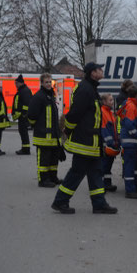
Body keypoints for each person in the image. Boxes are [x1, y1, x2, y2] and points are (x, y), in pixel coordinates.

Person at [51, 62, 117, 214]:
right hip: (84, 142)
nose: (102, 71)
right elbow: (74, 114)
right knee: (77, 172)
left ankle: (99, 204)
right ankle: (60, 201)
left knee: (95, 172)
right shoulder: (85, 89)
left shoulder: (90, 88)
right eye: (99, 69)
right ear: (93, 73)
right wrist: (68, 130)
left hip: (91, 142)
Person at [28, 73, 64, 187]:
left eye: (50, 82)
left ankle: (53, 177)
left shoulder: (50, 96)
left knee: (53, 159)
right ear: (42, 83)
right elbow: (31, 116)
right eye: (46, 82)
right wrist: (39, 127)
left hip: (53, 136)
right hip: (43, 136)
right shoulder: (39, 97)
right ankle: (43, 180)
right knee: (44, 160)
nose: (49, 84)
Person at [118, 85, 137, 199]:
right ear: (136, 95)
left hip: (129, 141)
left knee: (132, 165)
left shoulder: (128, 104)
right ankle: (130, 191)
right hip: (130, 141)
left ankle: (134, 187)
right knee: (129, 166)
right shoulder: (131, 106)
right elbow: (129, 124)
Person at [100, 93, 120, 192]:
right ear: (104, 101)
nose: (112, 102)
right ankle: (100, 185)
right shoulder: (103, 112)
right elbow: (104, 129)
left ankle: (107, 183)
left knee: (108, 166)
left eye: (112, 100)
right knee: (104, 166)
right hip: (106, 145)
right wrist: (111, 142)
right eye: (110, 100)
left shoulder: (110, 112)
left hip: (110, 145)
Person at [12, 74, 33, 155]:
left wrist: (24, 114)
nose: (15, 85)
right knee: (23, 132)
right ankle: (25, 148)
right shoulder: (23, 90)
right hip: (22, 116)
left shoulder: (25, 91)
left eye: (16, 83)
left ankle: (26, 149)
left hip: (23, 116)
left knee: (23, 132)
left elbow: (27, 104)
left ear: (21, 83)